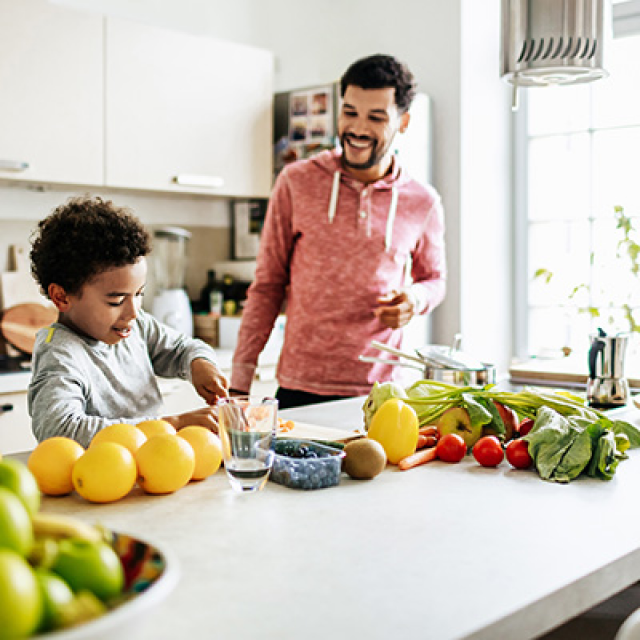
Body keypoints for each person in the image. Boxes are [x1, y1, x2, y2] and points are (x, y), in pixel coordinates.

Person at [231, 54, 446, 409]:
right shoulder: (296, 182)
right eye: (350, 112)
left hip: (380, 394)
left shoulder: (421, 201)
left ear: (403, 122)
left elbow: (435, 280)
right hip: (299, 389)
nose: (357, 129)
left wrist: (415, 300)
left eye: (376, 117)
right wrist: (238, 385)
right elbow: (267, 286)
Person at [28, 196, 228, 447]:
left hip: (149, 470)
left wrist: (199, 363)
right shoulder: (60, 354)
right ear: (62, 297)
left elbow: (181, 349)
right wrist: (172, 425)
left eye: (139, 294)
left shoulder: (137, 326)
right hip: (98, 481)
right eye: (116, 300)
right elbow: (61, 430)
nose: (133, 311)